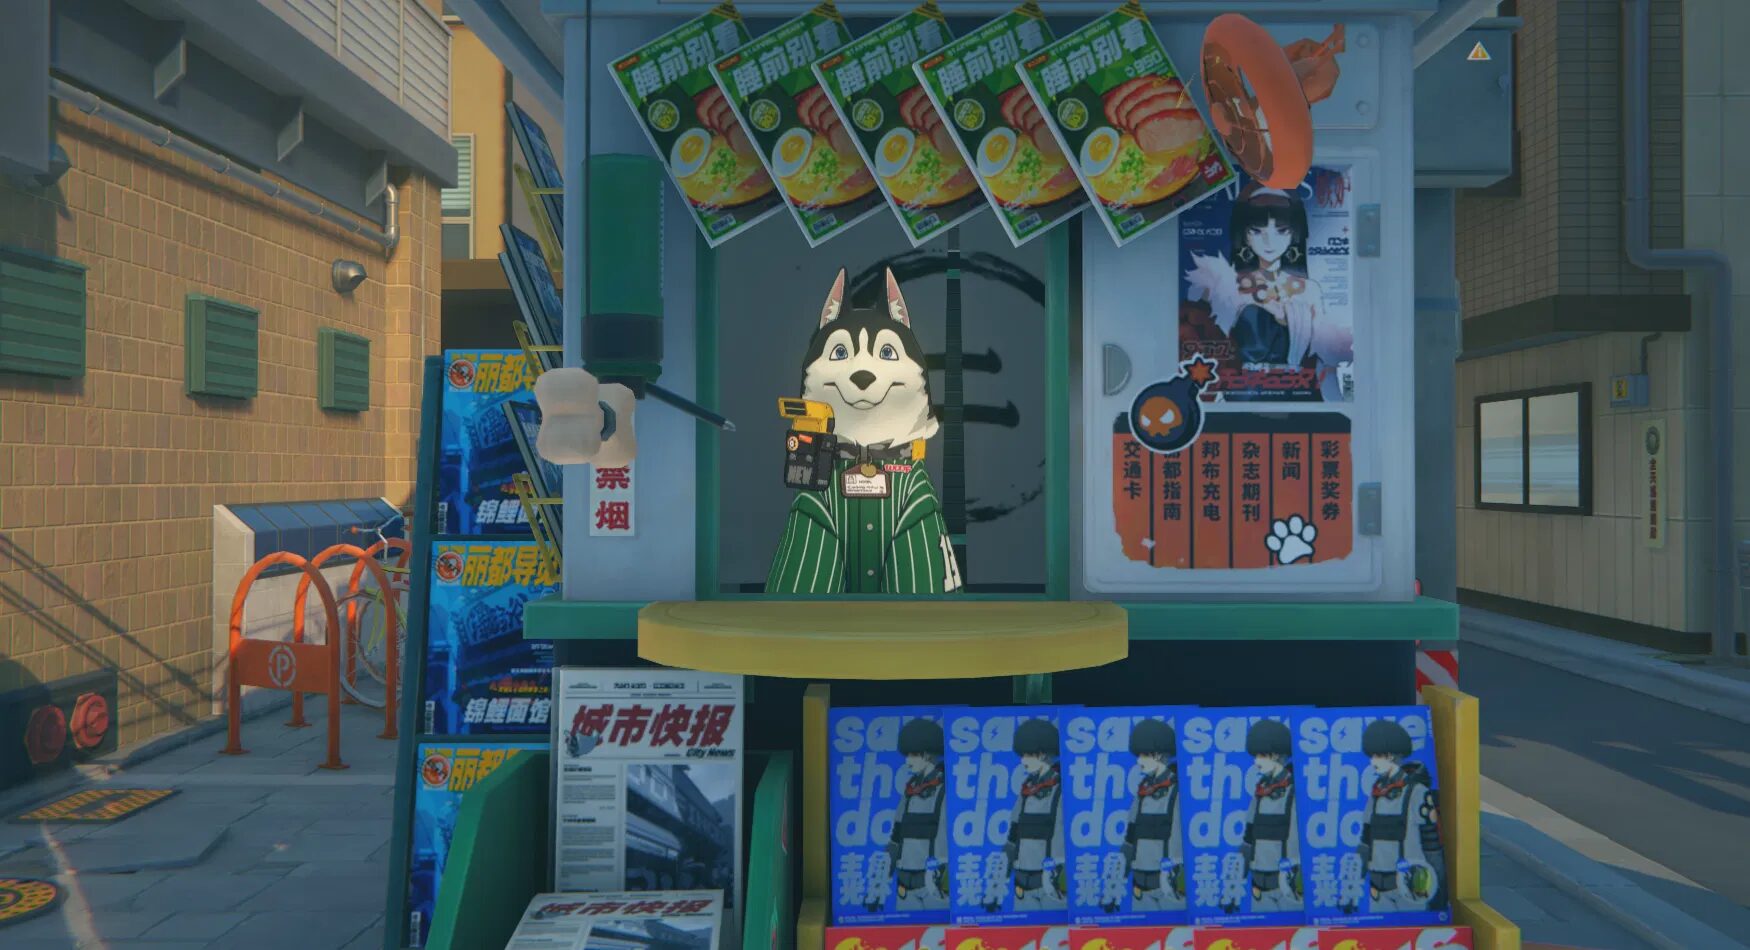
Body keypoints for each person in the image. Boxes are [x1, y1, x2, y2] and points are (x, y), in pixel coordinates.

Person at [1185, 182, 1346, 401]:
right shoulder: (1226, 286)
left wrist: (1338, 405)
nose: (1269, 241)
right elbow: (1207, 349)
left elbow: (1325, 356)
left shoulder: (1310, 290)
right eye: (1257, 231)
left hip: (1298, 392)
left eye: (1281, 230)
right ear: (1245, 235)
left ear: (1294, 234)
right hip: (1244, 394)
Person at [1357, 719, 1446, 912]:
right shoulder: (1376, 792)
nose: (1372, 762)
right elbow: (1366, 840)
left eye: (1377, 756)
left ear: (1391, 755)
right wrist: (1354, 882)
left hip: (1411, 888)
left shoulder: (1417, 792)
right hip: (1378, 889)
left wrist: (1439, 890)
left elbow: (1431, 844)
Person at [872, 717, 949, 910]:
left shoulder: (944, 790)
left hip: (932, 881)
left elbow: (944, 835)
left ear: (927, 755)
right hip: (905, 883)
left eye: (913, 755)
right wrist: (882, 877)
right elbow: (896, 834)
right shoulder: (910, 791)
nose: (908, 761)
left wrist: (940, 871)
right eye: (907, 755)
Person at [993, 718, 1065, 911]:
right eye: (1022, 754)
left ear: (1042, 754)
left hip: (1049, 882)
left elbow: (1061, 833)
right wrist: (1001, 875)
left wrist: (1056, 870)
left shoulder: (1061, 789)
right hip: (1021, 884)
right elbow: (1013, 832)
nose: (1023, 760)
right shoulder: (1026, 789)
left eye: (1028, 755)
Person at [1234, 718, 1300, 913]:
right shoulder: (1261, 789)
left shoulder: (1294, 789)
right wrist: (1240, 870)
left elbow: (1295, 834)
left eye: (1262, 755)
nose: (1256, 762)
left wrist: (1291, 866)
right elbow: (1249, 831)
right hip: (1258, 884)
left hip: (1284, 881)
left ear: (1276, 755)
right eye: (1256, 755)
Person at [1122, 718, 1184, 911]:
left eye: (1144, 755)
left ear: (1158, 755)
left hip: (1166, 881)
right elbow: (1132, 829)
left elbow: (1178, 832)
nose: (1139, 761)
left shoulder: (1177, 789)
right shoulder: (1143, 789)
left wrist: (1173, 866)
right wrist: (1123, 865)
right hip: (1139, 882)